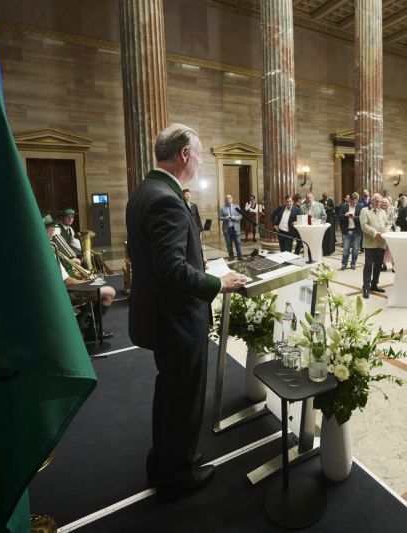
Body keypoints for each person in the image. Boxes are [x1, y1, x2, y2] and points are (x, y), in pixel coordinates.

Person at [126, 124, 247, 502]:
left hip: (159, 315)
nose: (200, 162)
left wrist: (198, 262)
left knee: (169, 392)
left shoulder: (146, 190)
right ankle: (177, 476)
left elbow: (161, 258)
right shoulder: (167, 198)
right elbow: (172, 270)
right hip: (177, 319)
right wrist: (217, 283)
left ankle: (163, 462)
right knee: (185, 397)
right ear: (183, 154)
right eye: (198, 155)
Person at [45, 211, 115, 337]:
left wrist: (77, 272)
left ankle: (81, 321)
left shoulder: (48, 246)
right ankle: (93, 330)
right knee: (109, 292)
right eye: (51, 227)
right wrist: (85, 282)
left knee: (91, 282)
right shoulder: (50, 247)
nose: (53, 229)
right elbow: (66, 281)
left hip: (61, 288)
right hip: (65, 292)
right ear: (46, 229)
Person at [360, 193, 388, 298]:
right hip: (370, 242)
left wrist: (386, 233)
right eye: (377, 201)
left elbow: (386, 225)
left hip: (381, 242)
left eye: (380, 201)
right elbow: (364, 226)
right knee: (368, 265)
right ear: (372, 201)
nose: (379, 203)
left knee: (378, 265)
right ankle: (366, 287)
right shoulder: (365, 210)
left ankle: (374, 284)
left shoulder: (383, 212)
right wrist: (375, 233)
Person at [338, 192, 363, 270]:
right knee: (346, 249)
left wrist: (355, 217)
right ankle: (344, 264)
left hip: (357, 231)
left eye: (353, 202)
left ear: (356, 200)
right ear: (349, 200)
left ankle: (353, 263)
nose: (352, 203)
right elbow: (338, 217)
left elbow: (363, 218)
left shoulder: (360, 207)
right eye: (350, 202)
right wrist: (345, 215)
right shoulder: (344, 206)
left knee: (355, 249)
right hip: (347, 231)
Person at [219, 194, 243, 261]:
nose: (229, 199)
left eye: (230, 197)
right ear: (226, 200)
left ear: (232, 199)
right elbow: (219, 217)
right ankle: (231, 256)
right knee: (229, 244)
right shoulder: (223, 208)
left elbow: (241, 216)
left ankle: (239, 256)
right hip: (227, 229)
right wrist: (225, 218)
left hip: (235, 228)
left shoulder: (237, 207)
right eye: (227, 198)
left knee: (237, 243)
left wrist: (235, 217)